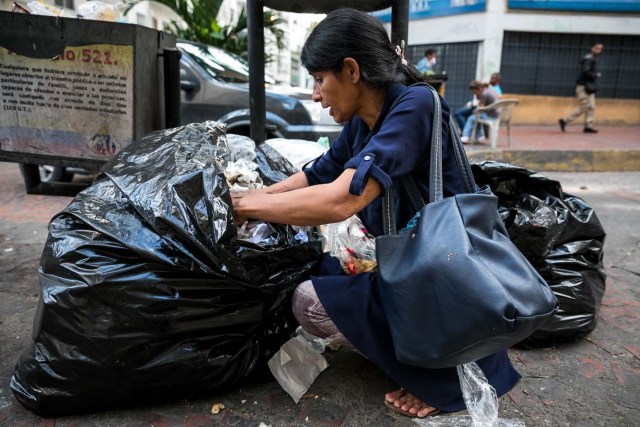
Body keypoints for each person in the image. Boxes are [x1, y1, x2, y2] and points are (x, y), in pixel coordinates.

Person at [232, 8, 520, 418]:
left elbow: (339, 200)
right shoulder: (362, 121)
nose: (316, 94)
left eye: (319, 80)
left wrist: (245, 206)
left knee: (311, 303)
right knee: (313, 283)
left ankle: (445, 381)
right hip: (417, 270)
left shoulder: (416, 104)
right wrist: (249, 199)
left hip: (452, 276)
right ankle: (414, 352)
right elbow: (316, 176)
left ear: (350, 70)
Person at [559, 42, 603, 133]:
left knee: (591, 107)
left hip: (588, 87)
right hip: (583, 87)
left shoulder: (591, 59)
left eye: (600, 49)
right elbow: (586, 72)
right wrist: (596, 75)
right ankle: (565, 120)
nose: (599, 51)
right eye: (597, 48)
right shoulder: (588, 60)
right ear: (592, 48)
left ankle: (588, 126)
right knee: (585, 106)